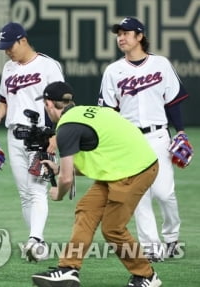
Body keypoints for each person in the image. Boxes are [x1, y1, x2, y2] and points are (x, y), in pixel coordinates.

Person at [31, 81, 162, 287]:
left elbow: (66, 180)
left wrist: (59, 193)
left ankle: (147, 276)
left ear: (49, 104)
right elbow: (100, 157)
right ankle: (68, 269)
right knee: (86, 210)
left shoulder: (66, 128)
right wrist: (59, 169)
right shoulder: (86, 112)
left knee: (113, 228)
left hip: (135, 170)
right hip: (121, 166)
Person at [99, 17, 188, 261]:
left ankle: (171, 236)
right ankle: (152, 247)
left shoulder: (160, 64)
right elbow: (108, 112)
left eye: (126, 33)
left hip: (159, 136)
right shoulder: (113, 71)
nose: (121, 37)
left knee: (164, 193)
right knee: (138, 196)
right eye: (118, 33)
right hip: (129, 140)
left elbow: (172, 101)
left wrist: (179, 131)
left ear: (140, 36)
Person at [0, 22, 65, 260]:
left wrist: (56, 133)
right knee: (24, 193)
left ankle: (35, 240)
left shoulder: (48, 65)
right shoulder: (9, 68)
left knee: (37, 190)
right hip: (14, 134)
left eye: (9, 45)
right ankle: (37, 241)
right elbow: (4, 100)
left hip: (40, 134)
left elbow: (62, 103)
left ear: (23, 41)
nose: (7, 51)